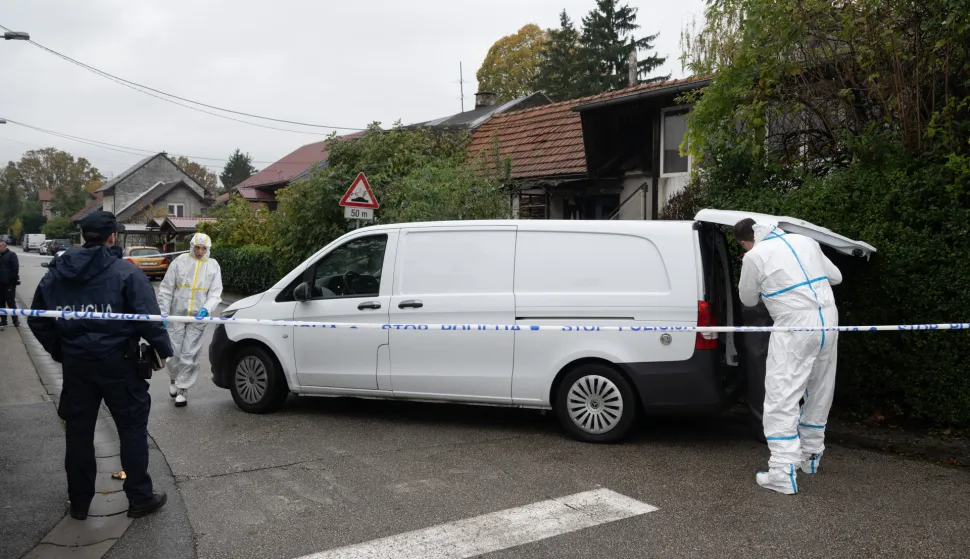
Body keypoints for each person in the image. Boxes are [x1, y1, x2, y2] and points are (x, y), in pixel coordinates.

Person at [27, 211, 173, 520]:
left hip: (77, 366)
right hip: (120, 364)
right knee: (131, 428)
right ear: (112, 237)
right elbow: (149, 319)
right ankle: (139, 498)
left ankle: (80, 504)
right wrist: (163, 351)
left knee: (78, 432)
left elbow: (37, 319)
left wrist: (62, 350)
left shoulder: (58, 272)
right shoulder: (127, 273)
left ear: (84, 236)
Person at [734, 217, 842, 495]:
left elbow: (747, 299)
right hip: (829, 319)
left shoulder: (754, 256)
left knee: (782, 392)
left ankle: (782, 471)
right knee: (820, 387)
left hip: (794, 323)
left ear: (745, 242)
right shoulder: (806, 240)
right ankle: (810, 456)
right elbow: (836, 277)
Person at [157, 232, 223, 407]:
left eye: (204, 249)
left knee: (189, 354)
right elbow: (166, 289)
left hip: (198, 317)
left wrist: (207, 308)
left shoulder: (213, 266)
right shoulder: (180, 262)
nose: (200, 252)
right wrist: (164, 313)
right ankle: (173, 379)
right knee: (173, 353)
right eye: (197, 248)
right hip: (176, 314)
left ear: (208, 249)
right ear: (192, 246)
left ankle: (183, 389)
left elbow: (215, 292)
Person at [0, 238, 19, 330]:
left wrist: (11, 281)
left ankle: (15, 320)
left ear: (4, 246)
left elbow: (15, 269)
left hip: (9, 284)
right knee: (1, 303)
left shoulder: (11, 255)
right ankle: (3, 321)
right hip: (0, 284)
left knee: (10, 302)